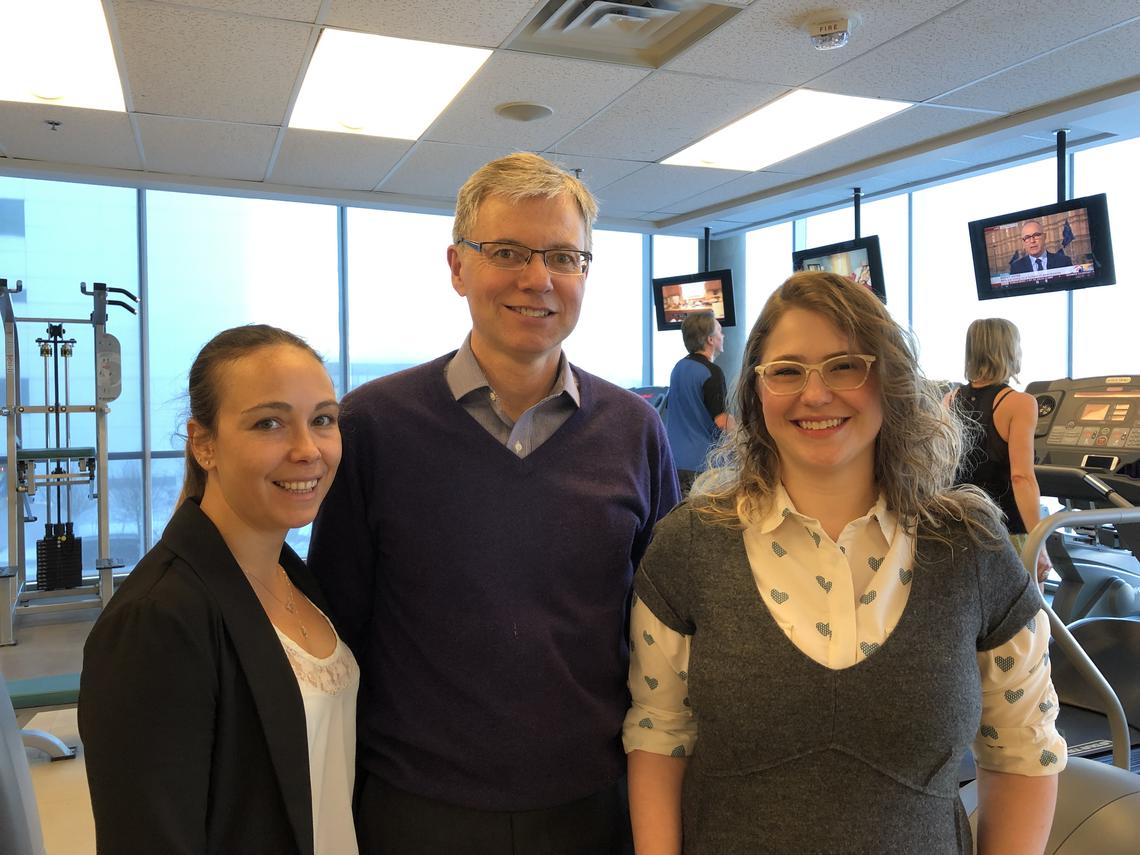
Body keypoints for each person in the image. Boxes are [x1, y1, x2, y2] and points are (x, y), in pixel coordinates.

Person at [308, 152, 680, 854]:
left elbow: (661, 632)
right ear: (458, 267)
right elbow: (339, 627)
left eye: (564, 256)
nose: (537, 278)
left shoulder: (635, 430)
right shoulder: (374, 426)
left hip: (591, 805)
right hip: (416, 806)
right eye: (507, 251)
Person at [624, 271, 1065, 854]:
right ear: (757, 391)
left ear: (889, 381)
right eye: (787, 371)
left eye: (844, 365)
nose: (815, 393)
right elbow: (659, 735)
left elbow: (1022, 751)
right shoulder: (690, 544)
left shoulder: (970, 548)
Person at [80, 325, 357, 855]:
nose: (307, 450)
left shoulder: (297, 579)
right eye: (269, 423)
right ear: (204, 444)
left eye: (322, 420)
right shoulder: (158, 621)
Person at [946, 318, 1052, 584]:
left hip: (961, 529)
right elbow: (1022, 478)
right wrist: (1039, 544)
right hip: (1006, 531)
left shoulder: (949, 400)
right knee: (1026, 620)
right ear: (1009, 350)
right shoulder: (1020, 403)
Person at [665, 310, 732, 494]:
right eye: (720, 331)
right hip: (702, 466)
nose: (723, 335)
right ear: (710, 340)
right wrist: (747, 435)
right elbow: (721, 420)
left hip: (673, 463)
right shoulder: (712, 372)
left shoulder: (678, 368)